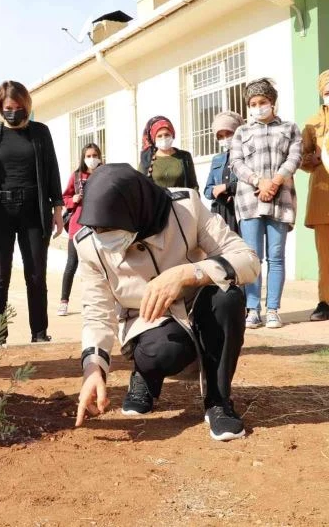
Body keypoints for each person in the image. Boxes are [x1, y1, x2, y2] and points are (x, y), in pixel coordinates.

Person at [73, 164, 260, 442]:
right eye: (96, 227)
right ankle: (146, 376)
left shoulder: (185, 208)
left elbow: (247, 259)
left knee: (228, 296)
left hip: (198, 308)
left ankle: (218, 401)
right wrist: (93, 369)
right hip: (146, 322)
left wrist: (188, 273)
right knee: (163, 352)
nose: (102, 234)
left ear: (136, 209)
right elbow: (97, 312)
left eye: (110, 227)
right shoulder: (89, 244)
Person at [0, 81, 64, 343]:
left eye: (19, 107)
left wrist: (57, 209)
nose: (14, 111)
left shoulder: (40, 133)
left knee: (36, 275)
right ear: (1, 107)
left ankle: (39, 333)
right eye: (8, 107)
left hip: (34, 210)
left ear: (27, 106)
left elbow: (52, 171)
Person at [230, 78, 302, 329]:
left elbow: (295, 157)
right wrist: (259, 181)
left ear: (273, 103)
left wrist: (275, 182)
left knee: (276, 256)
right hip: (250, 201)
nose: (258, 106)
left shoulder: (290, 128)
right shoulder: (242, 132)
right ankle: (252, 309)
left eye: (263, 102)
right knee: (253, 258)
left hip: (280, 199)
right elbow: (237, 163)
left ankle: (273, 309)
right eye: (253, 103)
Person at [58, 143, 102, 317]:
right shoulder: (76, 176)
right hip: (78, 227)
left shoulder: (104, 174)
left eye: (95, 155)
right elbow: (64, 198)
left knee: (99, 266)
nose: (92, 159)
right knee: (72, 264)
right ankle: (63, 302)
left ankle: (95, 303)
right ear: (83, 158)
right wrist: (73, 199)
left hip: (99, 226)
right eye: (89, 156)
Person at [300, 69, 329, 322]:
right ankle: (325, 302)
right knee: (326, 254)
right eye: (328, 90)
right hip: (323, 199)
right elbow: (301, 159)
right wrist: (314, 158)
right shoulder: (312, 124)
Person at [204, 112, 243, 234]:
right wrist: (215, 192)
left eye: (228, 133)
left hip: (240, 209)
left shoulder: (246, 156)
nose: (225, 139)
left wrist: (227, 187)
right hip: (219, 211)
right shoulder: (217, 159)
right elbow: (207, 190)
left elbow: (249, 183)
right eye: (220, 136)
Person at [139, 116, 198, 190]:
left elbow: (193, 184)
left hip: (181, 200)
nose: (163, 138)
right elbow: (139, 185)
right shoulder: (147, 160)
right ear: (154, 139)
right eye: (159, 136)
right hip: (158, 201)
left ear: (172, 135)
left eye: (167, 134)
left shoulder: (184, 156)